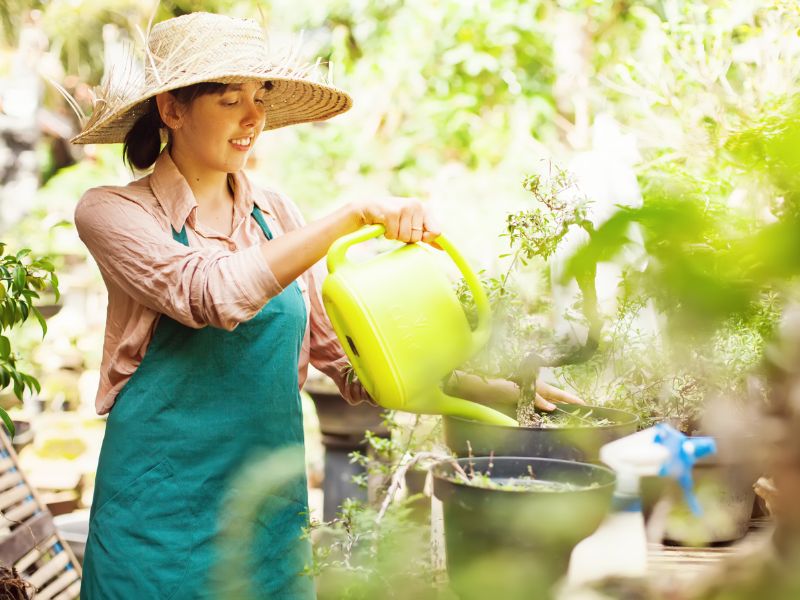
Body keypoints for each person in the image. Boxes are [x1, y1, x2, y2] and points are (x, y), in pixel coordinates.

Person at [70, 11, 580, 599]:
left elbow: (351, 360)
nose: (253, 116)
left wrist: (498, 384)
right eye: (229, 98)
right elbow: (208, 294)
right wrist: (350, 216)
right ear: (172, 109)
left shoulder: (277, 217)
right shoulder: (113, 212)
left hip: (266, 526)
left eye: (260, 95)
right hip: (157, 526)